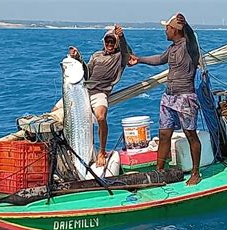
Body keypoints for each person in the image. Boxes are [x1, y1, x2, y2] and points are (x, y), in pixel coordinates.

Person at [128, 13, 202, 185]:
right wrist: (139, 59)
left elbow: (192, 38)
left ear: (176, 30)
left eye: (167, 28)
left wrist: (187, 24)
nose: (165, 31)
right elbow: (159, 59)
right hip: (168, 97)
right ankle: (159, 172)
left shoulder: (189, 47)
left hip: (185, 97)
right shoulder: (172, 48)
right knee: (163, 134)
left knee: (190, 134)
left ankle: (196, 172)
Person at [54, 25, 132, 167]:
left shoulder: (120, 57)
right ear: (104, 42)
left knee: (101, 117)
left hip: (100, 93)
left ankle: (101, 152)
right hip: (82, 90)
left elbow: (126, 51)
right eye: (107, 41)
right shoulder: (96, 55)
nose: (109, 44)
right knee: (54, 112)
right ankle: (65, 150)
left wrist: (121, 37)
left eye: (112, 42)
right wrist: (78, 58)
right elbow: (87, 72)